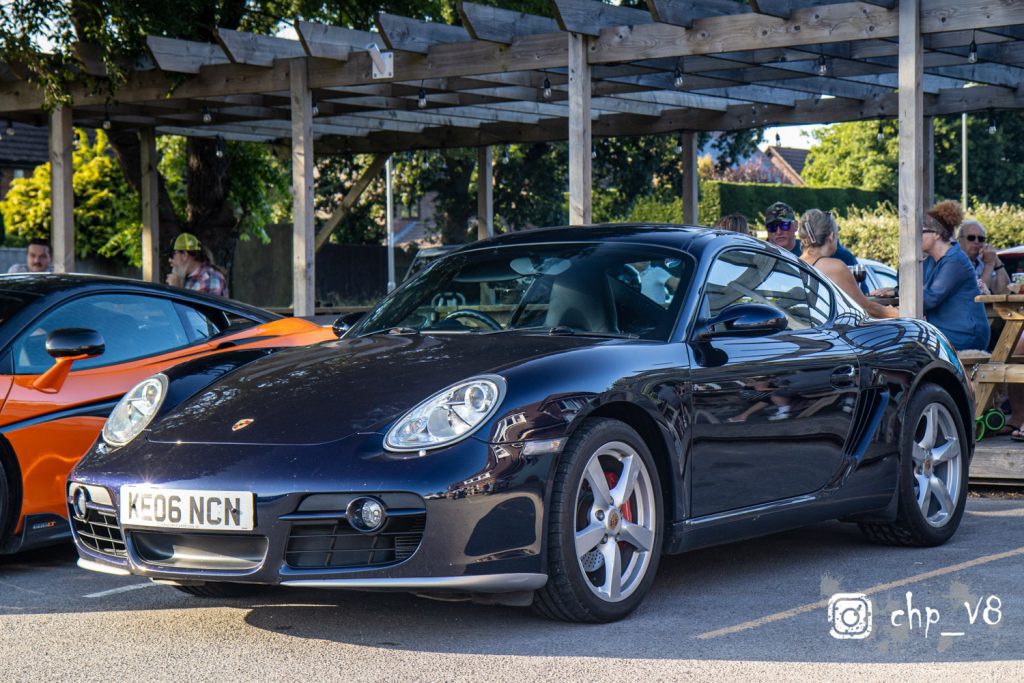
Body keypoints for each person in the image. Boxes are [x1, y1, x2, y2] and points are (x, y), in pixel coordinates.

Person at [797, 209, 898, 319]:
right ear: (831, 236)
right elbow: (866, 308)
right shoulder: (835, 267)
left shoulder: (793, 263)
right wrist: (900, 313)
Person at [916, 201, 989, 350]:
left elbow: (930, 298)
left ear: (936, 234)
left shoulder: (955, 261)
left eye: (921, 232)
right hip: (945, 331)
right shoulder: (931, 260)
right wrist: (894, 291)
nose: (916, 237)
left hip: (966, 335)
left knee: (910, 347)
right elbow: (918, 289)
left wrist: (899, 295)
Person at [764, 200, 860, 267]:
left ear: (796, 225)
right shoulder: (759, 255)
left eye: (784, 225)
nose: (778, 231)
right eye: (772, 227)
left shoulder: (836, 254)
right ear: (767, 230)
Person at [166, 232, 227, 297]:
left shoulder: (210, 277)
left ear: (184, 255)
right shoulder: (188, 279)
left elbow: (203, 307)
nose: (170, 260)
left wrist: (176, 290)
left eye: (172, 255)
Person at [958, 219, 1008, 295]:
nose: (976, 242)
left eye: (981, 239)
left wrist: (996, 261)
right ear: (960, 240)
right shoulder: (955, 260)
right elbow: (977, 294)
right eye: (971, 238)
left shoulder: (982, 260)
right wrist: (989, 264)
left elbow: (1004, 292)